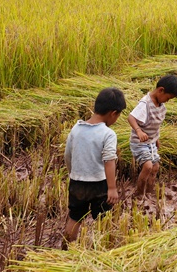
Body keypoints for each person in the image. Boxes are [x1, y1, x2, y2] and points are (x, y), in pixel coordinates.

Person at [63, 86, 126, 247]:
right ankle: (104, 248)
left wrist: (73, 174)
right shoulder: (108, 134)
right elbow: (109, 160)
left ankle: (67, 248)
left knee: (75, 217)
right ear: (113, 113)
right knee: (104, 219)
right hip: (99, 185)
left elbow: (67, 155)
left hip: (77, 182)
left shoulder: (76, 129)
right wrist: (112, 188)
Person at [127, 74, 177, 201]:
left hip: (151, 142)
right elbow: (131, 117)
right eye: (167, 98)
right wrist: (138, 131)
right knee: (147, 166)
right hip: (139, 143)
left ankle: (150, 191)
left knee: (155, 167)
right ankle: (139, 194)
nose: (167, 101)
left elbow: (155, 125)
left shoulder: (161, 106)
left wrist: (156, 138)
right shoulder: (145, 103)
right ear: (161, 90)